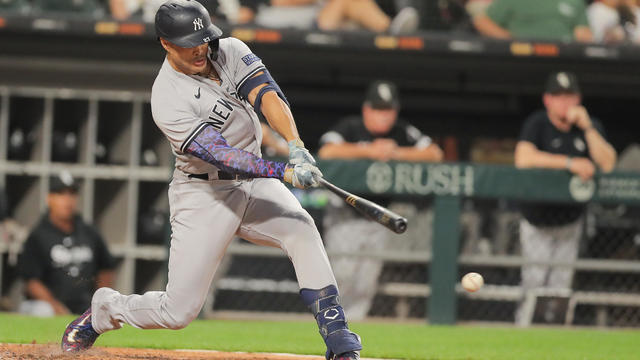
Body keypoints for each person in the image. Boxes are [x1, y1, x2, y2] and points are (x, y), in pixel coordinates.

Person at [61, 1, 363, 359]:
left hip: (254, 181)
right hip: (204, 192)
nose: (200, 49)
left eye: (203, 39)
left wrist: (295, 146)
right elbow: (221, 155)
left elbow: (267, 95)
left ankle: (338, 336)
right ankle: (106, 309)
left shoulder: (231, 50)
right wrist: (283, 170)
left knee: (301, 228)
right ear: (165, 43)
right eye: (189, 43)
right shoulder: (167, 96)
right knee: (178, 313)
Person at [317, 80, 443, 320]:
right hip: (345, 217)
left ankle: (352, 331)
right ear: (367, 109)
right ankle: (327, 323)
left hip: (379, 218)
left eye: (388, 110)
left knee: (366, 282)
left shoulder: (402, 132)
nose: (383, 116)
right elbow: (327, 151)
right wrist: (369, 150)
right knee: (342, 274)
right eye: (378, 110)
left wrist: (396, 152)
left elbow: (434, 153)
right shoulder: (349, 127)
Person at [513, 71, 616, 326]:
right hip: (536, 220)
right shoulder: (537, 123)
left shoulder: (588, 127)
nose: (564, 102)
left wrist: (588, 128)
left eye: (569, 96)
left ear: (578, 99)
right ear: (547, 99)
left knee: (561, 284)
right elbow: (523, 158)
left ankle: (553, 335)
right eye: (558, 96)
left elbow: (608, 163)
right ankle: (523, 332)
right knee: (534, 280)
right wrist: (569, 162)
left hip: (570, 221)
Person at [18, 171, 116, 317]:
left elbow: (106, 268)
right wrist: (55, 306)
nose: (67, 199)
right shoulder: (38, 235)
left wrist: (100, 302)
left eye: (72, 194)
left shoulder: (89, 232)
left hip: (85, 305)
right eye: (61, 193)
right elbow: (31, 281)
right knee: (42, 310)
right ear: (49, 198)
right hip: (48, 307)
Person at [472, 0, 593, 43]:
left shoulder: (574, 1)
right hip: (521, 57)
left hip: (563, 58)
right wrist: (509, 40)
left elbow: (584, 34)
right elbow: (482, 21)